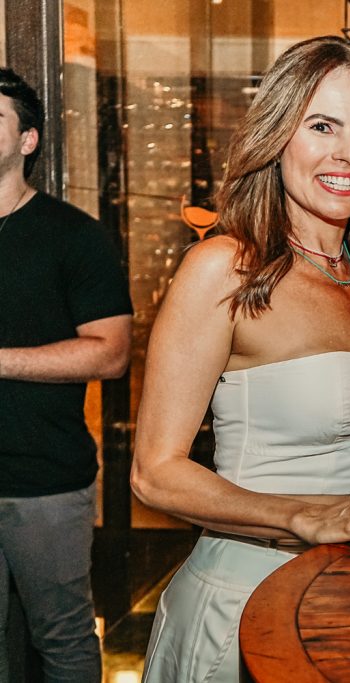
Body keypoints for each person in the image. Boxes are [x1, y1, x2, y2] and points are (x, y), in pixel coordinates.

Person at [131, 36, 350, 682]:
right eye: (321, 125)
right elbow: (155, 473)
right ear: (277, 135)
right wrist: (305, 512)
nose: (347, 154)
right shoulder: (225, 268)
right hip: (240, 605)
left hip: (348, 605)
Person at [0, 68, 132, 682]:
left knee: (63, 639)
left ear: (27, 140)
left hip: (43, 484)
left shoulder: (75, 237)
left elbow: (110, 353)